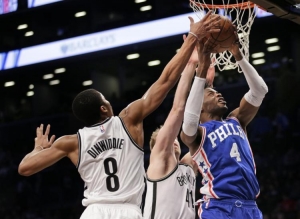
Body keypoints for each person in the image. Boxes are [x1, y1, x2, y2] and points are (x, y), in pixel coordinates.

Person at [18, 11, 221, 219]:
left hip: (94, 212)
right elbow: (166, 80)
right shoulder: (128, 119)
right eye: (106, 99)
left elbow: (25, 168)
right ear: (104, 108)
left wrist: (38, 150)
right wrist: (191, 43)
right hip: (128, 211)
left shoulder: (71, 143)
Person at [180, 33, 268, 219]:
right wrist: (201, 72)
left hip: (250, 207)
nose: (218, 94)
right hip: (219, 207)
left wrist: (238, 55)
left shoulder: (236, 119)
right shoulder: (197, 134)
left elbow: (260, 90)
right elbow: (188, 121)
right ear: (200, 106)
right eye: (211, 94)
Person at [143, 37, 215, 219]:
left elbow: (204, 130)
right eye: (168, 140)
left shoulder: (187, 166)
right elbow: (178, 109)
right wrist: (190, 66)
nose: (173, 141)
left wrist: (207, 86)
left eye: (174, 139)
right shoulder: (160, 160)